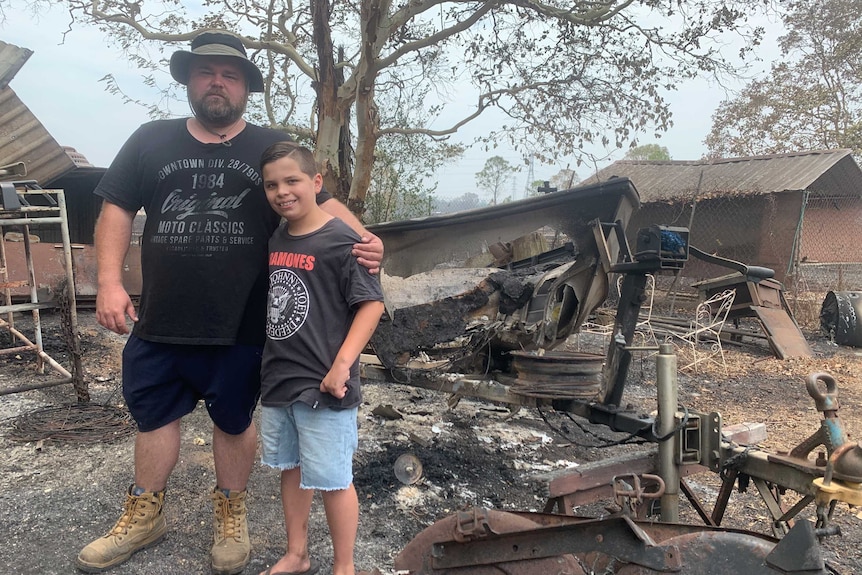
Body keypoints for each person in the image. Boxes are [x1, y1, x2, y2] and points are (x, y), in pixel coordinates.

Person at [76, 32, 383, 575]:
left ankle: (230, 515)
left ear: (245, 87)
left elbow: (322, 204)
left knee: (234, 421)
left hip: (244, 323)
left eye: (230, 74)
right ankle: (144, 514)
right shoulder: (151, 140)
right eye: (205, 71)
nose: (217, 82)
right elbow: (117, 208)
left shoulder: (269, 147)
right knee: (153, 417)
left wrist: (370, 244)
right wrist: (108, 281)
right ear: (189, 80)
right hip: (162, 318)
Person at [257, 142, 384, 575]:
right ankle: (297, 553)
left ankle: (344, 566)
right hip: (280, 380)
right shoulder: (277, 236)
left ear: (316, 183)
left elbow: (371, 305)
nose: (282, 191)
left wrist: (341, 365)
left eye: (292, 180)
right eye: (272, 184)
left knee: (332, 479)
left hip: (325, 385)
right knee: (291, 470)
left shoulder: (343, 240)